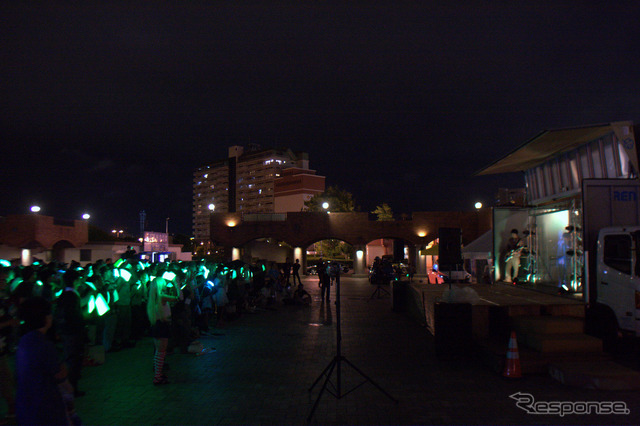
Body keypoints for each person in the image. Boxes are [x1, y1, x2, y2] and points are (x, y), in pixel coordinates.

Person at [15, 297, 70, 425]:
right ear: (46, 318)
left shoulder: (24, 341)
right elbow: (60, 374)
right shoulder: (43, 344)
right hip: (44, 404)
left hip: (25, 402)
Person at [54, 269, 87, 397]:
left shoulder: (65, 295)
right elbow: (73, 315)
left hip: (68, 332)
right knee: (73, 360)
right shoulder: (71, 296)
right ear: (74, 281)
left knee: (71, 359)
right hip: (73, 332)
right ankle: (71, 388)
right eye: (78, 279)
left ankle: (71, 387)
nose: (80, 281)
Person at [147, 277, 180, 385]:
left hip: (156, 325)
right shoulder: (162, 297)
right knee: (161, 353)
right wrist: (176, 285)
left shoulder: (154, 298)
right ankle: (157, 377)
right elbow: (178, 298)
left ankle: (158, 374)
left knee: (158, 352)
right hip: (162, 326)